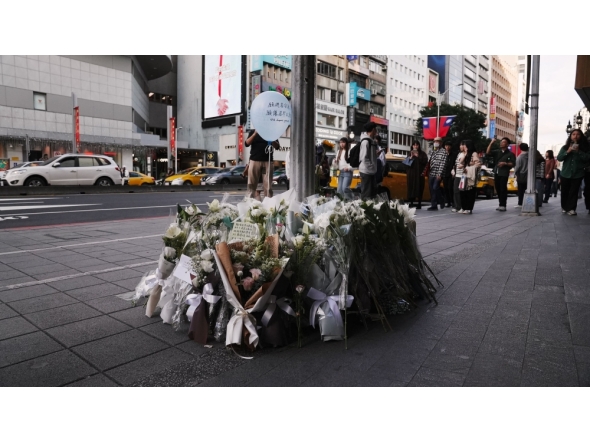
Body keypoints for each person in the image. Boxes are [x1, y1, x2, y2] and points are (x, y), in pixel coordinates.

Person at [557, 128, 590, 215]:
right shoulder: (565, 147)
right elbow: (559, 158)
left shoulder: (585, 148)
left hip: (578, 173)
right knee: (564, 191)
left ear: (581, 136)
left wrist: (579, 151)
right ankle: (564, 207)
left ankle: (571, 208)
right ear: (570, 136)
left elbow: (587, 158)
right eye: (573, 134)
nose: (575, 136)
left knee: (574, 191)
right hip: (565, 173)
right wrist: (568, 151)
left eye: (578, 134)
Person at [245, 129, 280, 200]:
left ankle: (269, 204)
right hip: (254, 160)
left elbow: (277, 147)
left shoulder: (272, 132)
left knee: (268, 186)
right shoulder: (253, 131)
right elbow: (246, 143)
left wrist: (271, 139)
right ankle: (249, 202)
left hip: (267, 161)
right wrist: (255, 134)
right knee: (251, 184)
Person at [486, 136, 515, 211]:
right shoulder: (497, 152)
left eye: (503, 142)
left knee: (503, 189)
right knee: (498, 188)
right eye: (501, 142)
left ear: (507, 144)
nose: (501, 143)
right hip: (497, 172)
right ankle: (500, 203)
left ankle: (503, 205)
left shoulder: (510, 154)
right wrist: (491, 143)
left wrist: (505, 163)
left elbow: (513, 164)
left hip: (504, 173)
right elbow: (488, 152)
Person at [458, 140, 481, 214]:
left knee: (470, 192)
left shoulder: (474, 154)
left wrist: (468, 168)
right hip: (464, 176)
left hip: (470, 176)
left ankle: (469, 208)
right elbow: (461, 162)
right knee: (462, 191)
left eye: (465, 145)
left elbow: (477, 165)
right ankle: (463, 207)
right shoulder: (465, 154)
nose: (463, 146)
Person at [426, 136, 448, 211]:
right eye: (435, 141)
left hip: (438, 173)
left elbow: (443, 163)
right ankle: (434, 205)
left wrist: (439, 173)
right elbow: (428, 161)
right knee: (431, 189)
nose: (436, 143)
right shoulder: (432, 151)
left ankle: (441, 200)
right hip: (431, 173)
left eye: (438, 141)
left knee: (435, 187)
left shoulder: (443, 152)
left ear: (441, 143)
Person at [406, 140, 428, 209]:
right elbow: (406, 164)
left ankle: (419, 203)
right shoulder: (410, 153)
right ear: (412, 146)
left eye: (417, 145)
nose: (415, 146)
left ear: (419, 146)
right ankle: (411, 203)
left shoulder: (423, 154)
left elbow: (425, 162)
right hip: (411, 174)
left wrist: (418, 156)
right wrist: (411, 157)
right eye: (414, 145)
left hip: (419, 174)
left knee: (419, 187)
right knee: (411, 187)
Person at [359, 122, 378, 200]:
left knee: (372, 194)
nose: (376, 131)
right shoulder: (366, 141)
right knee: (367, 194)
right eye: (376, 130)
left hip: (370, 171)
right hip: (366, 171)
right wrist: (371, 166)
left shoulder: (371, 141)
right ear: (373, 130)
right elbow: (363, 157)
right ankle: (364, 210)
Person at [451, 141, 467, 213]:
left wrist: (466, 153)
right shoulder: (459, 154)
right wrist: (453, 170)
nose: (461, 146)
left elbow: (462, 162)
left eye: (463, 145)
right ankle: (457, 206)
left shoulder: (466, 154)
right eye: (460, 145)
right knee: (455, 191)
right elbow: (456, 163)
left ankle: (461, 207)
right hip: (457, 174)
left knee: (461, 192)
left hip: (463, 175)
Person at [513, 143, 529, 208]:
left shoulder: (520, 157)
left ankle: (520, 203)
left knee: (521, 190)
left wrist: (515, 174)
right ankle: (527, 202)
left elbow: (517, 167)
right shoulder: (530, 156)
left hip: (521, 175)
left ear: (520, 148)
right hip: (529, 175)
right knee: (527, 189)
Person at [442, 140, 457, 208]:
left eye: (448, 146)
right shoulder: (443, 154)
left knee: (450, 187)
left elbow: (455, 164)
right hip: (445, 173)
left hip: (451, 173)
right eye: (446, 146)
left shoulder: (454, 155)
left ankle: (452, 201)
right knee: (445, 188)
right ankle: (447, 202)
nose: (447, 147)